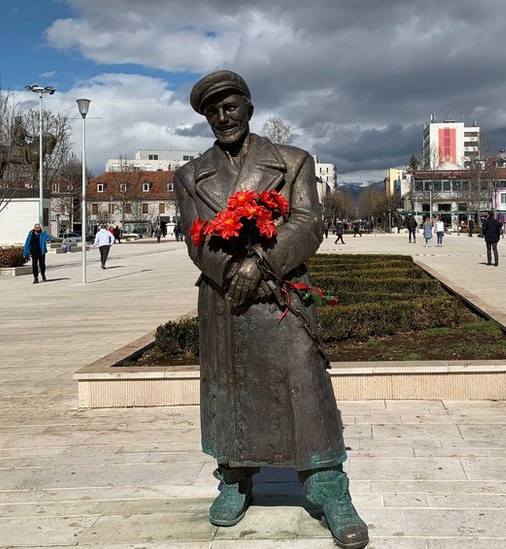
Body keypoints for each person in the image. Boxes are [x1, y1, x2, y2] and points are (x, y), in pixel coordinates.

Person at [174, 70, 368, 549]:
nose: (223, 117)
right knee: (229, 389)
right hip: (226, 303)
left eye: (231, 106)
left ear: (249, 106)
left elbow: (308, 222)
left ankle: (328, 484)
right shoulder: (189, 175)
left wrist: (259, 262)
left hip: (282, 293)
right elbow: (195, 238)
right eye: (212, 111)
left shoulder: (292, 161)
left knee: (305, 385)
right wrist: (231, 270)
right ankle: (235, 478)